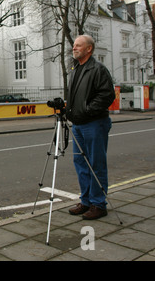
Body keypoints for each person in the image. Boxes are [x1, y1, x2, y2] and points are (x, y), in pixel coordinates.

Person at [65, 35, 116, 220]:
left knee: (96, 164)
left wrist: (86, 111)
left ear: (89, 49)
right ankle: (86, 201)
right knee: (81, 164)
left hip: (94, 123)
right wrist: (68, 110)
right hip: (78, 125)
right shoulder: (76, 68)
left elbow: (107, 95)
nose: (74, 47)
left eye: (79, 45)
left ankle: (98, 204)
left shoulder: (98, 69)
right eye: (74, 45)